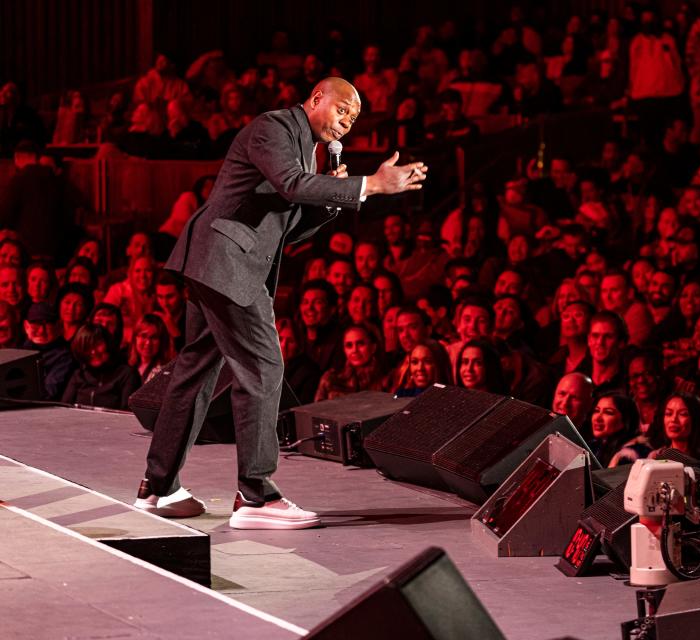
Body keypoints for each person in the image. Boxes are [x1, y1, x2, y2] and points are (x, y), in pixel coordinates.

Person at [135, 77, 427, 530]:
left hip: (216, 261)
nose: (347, 120)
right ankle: (256, 495)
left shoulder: (303, 148)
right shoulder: (273, 128)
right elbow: (291, 186)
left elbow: (289, 225)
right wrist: (369, 185)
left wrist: (332, 198)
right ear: (314, 99)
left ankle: (158, 488)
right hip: (227, 261)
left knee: (196, 372)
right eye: (342, 108)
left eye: (354, 117)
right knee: (264, 367)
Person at [62, 323, 141, 410]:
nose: (93, 352)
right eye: (87, 347)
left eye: (97, 344)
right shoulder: (79, 375)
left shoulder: (126, 374)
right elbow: (65, 409)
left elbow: (127, 413)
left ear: (108, 343)